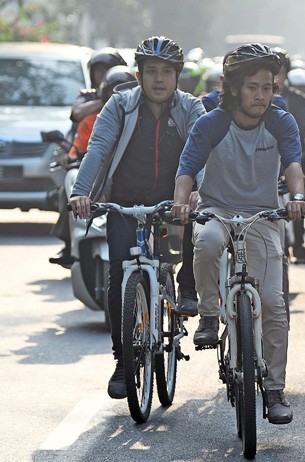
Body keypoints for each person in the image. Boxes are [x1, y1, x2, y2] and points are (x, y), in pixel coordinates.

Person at [171, 43, 305, 425]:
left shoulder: (281, 121)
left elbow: (294, 163)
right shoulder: (211, 122)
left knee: (274, 304)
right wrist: (182, 203)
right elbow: (187, 169)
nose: (262, 95)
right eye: (252, 87)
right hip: (217, 209)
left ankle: (275, 388)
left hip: (264, 215)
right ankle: (210, 316)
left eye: (268, 87)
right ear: (232, 89)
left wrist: (296, 197)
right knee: (208, 241)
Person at [69, 36, 204, 400]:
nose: (159, 79)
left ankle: (188, 287)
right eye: (151, 72)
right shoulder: (120, 105)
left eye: (166, 72)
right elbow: (97, 149)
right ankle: (122, 360)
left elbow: (204, 152)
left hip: (173, 199)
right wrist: (82, 192)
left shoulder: (191, 108)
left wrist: (196, 193)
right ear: (139, 75)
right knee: (119, 273)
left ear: (177, 76)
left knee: (197, 223)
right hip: (125, 201)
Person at [49, 47, 128, 268]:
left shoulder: (139, 100)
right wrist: (108, 100)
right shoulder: (89, 100)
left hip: (129, 165)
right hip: (89, 157)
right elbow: (77, 115)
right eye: (99, 70)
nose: (102, 74)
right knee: (73, 186)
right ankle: (71, 244)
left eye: (107, 69)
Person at [274, 47, 305, 264]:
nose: (275, 79)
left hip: (292, 160)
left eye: (280, 73)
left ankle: (299, 244)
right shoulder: (248, 101)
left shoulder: (297, 100)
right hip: (260, 162)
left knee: (297, 200)